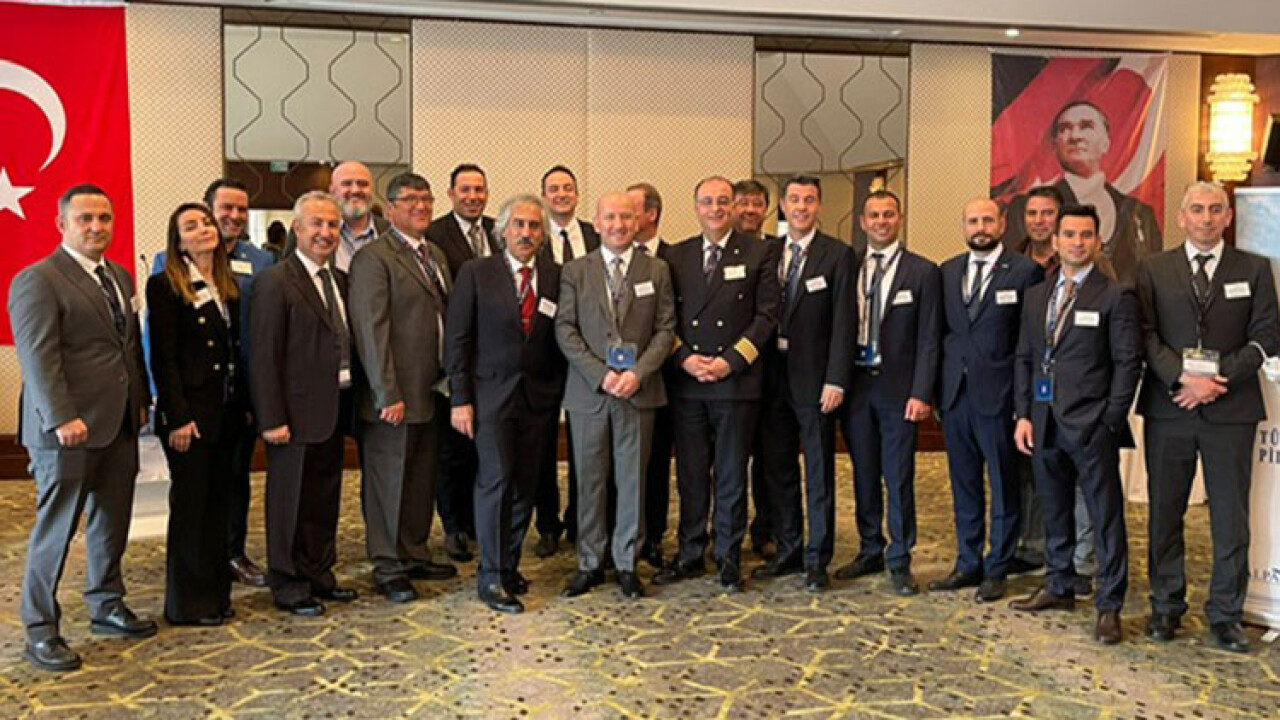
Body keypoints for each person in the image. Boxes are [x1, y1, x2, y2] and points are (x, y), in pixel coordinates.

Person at [10, 184, 156, 671]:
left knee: (111, 522)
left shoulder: (118, 275)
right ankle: (40, 630)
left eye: (104, 218)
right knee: (56, 529)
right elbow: (39, 357)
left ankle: (106, 603)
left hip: (118, 424)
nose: (97, 227)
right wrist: (60, 417)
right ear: (62, 224)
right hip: (66, 430)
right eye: (85, 219)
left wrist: (140, 405)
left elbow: (125, 348)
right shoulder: (38, 279)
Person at [1135, 181, 1280, 653]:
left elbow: (1266, 336)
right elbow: (1145, 334)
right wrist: (1182, 378)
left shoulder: (1254, 269)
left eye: (1216, 209)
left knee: (1230, 518)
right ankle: (1165, 606)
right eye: (1196, 209)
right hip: (1170, 406)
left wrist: (1217, 379)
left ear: (1227, 217)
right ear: (1181, 217)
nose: (1206, 217)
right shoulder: (1153, 269)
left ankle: (1225, 614)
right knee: (1165, 511)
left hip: (1230, 408)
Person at [1010, 204, 1142, 645]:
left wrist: (1110, 420)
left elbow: (1127, 364)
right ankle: (1058, 584)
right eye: (1069, 235)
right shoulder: (1037, 295)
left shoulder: (1115, 296)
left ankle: (1109, 603)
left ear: (1098, 241)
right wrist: (1024, 414)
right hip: (1043, 421)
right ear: (1056, 240)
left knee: (1105, 516)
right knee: (1055, 508)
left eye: (1086, 235)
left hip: (1092, 425)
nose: (1077, 243)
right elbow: (1026, 357)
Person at [652, 176, 781, 593]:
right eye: (707, 201)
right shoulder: (676, 255)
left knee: (730, 474)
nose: (715, 209)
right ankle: (690, 552)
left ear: (734, 206)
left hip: (735, 382)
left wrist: (729, 362)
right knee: (691, 474)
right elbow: (664, 317)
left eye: (723, 201)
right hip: (688, 382)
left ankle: (728, 555)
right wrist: (684, 358)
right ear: (696, 207)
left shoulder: (760, 252)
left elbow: (767, 316)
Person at [445, 194, 567, 614]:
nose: (526, 233)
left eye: (534, 226)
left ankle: (509, 565)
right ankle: (491, 576)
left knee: (525, 486)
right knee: (495, 482)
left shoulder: (555, 277)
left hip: (539, 401)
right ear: (502, 231)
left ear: (543, 234)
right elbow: (457, 339)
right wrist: (460, 398)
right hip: (489, 399)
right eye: (519, 225)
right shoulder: (476, 273)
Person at [150, 178, 275, 588]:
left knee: (233, 481)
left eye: (242, 209)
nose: (233, 217)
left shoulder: (261, 261)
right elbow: (162, 344)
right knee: (195, 494)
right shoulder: (167, 269)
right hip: (195, 400)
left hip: (239, 396)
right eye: (225, 209)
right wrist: (168, 404)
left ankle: (232, 554)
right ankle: (196, 576)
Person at [555, 191, 677, 599]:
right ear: (597, 223)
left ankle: (627, 562)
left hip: (639, 393)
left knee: (632, 480)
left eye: (626, 217)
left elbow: (666, 329)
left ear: (637, 221)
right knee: (589, 481)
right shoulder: (575, 270)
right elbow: (565, 329)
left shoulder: (657, 269)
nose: (619, 225)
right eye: (610, 217)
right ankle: (589, 562)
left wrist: (638, 373)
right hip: (590, 393)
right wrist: (601, 374)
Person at [348, 172, 458, 604]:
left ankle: (413, 552)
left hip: (431, 390)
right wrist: (385, 392)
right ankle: (387, 565)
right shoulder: (374, 258)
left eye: (426, 199)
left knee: (419, 480)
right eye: (410, 199)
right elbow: (370, 330)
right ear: (390, 207)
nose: (420, 206)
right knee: (388, 482)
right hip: (393, 394)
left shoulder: (434, 254)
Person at [251, 191, 360, 617]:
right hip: (292, 416)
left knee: (323, 498)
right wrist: (271, 418)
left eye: (333, 225)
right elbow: (263, 355)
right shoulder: (275, 282)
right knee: (290, 502)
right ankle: (287, 581)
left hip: (334, 407)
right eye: (316, 223)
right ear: (297, 228)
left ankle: (318, 572)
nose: (325, 232)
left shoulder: (341, 280)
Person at [932, 198, 1043, 603]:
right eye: (972, 221)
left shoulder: (1026, 271)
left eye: (987, 220)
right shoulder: (948, 271)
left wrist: (1023, 404)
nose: (980, 227)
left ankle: (998, 566)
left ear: (1002, 224)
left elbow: (1028, 344)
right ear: (964, 226)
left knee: (1004, 485)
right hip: (955, 396)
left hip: (1000, 397)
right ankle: (968, 561)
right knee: (963, 484)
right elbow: (939, 335)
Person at [836, 190, 940, 597]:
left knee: (898, 475)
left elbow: (929, 338)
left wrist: (922, 391)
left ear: (899, 218)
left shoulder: (922, 271)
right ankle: (870, 548)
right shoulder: (849, 267)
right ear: (863, 222)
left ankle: (900, 558)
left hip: (899, 389)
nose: (881, 221)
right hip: (857, 385)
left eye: (888, 214)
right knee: (863, 471)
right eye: (874, 215)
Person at [754, 176, 855, 593]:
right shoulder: (768, 252)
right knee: (778, 469)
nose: (801, 207)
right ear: (782, 205)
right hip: (772, 377)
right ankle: (789, 548)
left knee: (818, 471)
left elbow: (845, 322)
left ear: (819, 206)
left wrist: (836, 379)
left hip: (816, 380)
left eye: (809, 200)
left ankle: (817, 557)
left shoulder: (838, 254)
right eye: (794, 199)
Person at [148, 202, 246, 626]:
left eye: (206, 222)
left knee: (218, 506)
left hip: (224, 413)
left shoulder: (227, 284)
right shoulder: (165, 285)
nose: (204, 228)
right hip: (189, 417)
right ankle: (187, 603)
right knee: (192, 509)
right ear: (179, 241)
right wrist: (177, 416)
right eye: (192, 226)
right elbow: (164, 357)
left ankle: (215, 595)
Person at [1009, 184, 1102, 594]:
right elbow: (1025, 347)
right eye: (1032, 213)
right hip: (1036, 399)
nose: (1039, 221)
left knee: (1082, 488)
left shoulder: (1098, 276)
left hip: (1082, 406)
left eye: (1047, 213)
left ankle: (1082, 563)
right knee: (1035, 480)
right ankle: (1042, 554)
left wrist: (1109, 414)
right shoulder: (1018, 267)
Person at [426, 163, 499, 562]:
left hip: (494, 358)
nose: (473, 196)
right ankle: (453, 526)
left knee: (481, 447)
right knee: (452, 450)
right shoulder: (435, 235)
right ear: (451, 193)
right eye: (465, 190)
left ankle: (476, 522)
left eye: (479, 190)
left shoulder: (498, 230)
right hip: (455, 355)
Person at [1003, 100, 1162, 285]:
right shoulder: (1022, 209)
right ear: (1055, 145)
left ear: (1106, 143)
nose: (1075, 136)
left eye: (1086, 126)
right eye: (1064, 129)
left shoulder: (1140, 214)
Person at [536, 164, 603, 558]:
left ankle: (582, 518)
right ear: (545, 196)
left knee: (587, 443)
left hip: (588, 354)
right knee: (544, 443)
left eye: (567, 188)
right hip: (544, 354)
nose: (561, 194)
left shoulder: (596, 235)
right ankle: (547, 524)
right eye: (553, 189)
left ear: (577, 194)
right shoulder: (533, 235)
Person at [627, 181, 674, 570]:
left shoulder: (676, 259)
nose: (623, 220)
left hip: (665, 379)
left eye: (631, 211)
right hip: (616, 382)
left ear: (651, 214)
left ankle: (653, 536)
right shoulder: (613, 256)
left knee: (656, 462)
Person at [733, 177, 778, 559]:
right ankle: (723, 529)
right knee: (726, 462)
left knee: (769, 458)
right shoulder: (716, 250)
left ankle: (765, 529)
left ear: (766, 209)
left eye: (757, 203)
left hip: (773, 373)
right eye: (742, 203)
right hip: (727, 373)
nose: (749, 210)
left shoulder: (778, 251)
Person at [282, 161, 390, 271]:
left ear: (372, 190)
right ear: (332, 191)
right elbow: (289, 272)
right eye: (347, 184)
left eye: (363, 184)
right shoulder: (306, 231)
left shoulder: (390, 231)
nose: (355, 190)